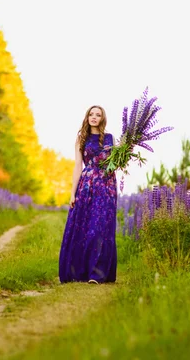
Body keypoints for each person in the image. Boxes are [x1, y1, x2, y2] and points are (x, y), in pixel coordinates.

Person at [59, 105, 117, 284]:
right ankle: (81, 271)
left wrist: (122, 153)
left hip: (106, 186)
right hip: (87, 186)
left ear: (102, 118)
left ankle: (97, 274)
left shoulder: (109, 138)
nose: (94, 117)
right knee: (85, 228)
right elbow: (78, 166)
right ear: (87, 117)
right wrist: (72, 193)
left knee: (101, 228)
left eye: (98, 115)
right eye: (91, 114)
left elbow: (114, 163)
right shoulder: (81, 139)